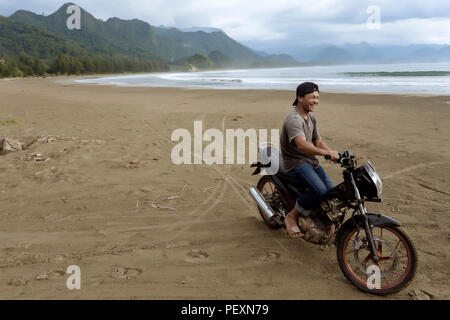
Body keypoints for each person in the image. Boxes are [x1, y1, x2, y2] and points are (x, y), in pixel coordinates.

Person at [279, 82, 340, 238]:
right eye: (312, 97)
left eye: (318, 97)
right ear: (300, 98)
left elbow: (318, 141)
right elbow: (302, 145)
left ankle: (318, 219)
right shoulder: (294, 119)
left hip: (310, 161)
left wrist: (332, 152)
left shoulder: (311, 117)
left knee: (332, 191)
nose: (316, 101)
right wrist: (325, 154)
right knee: (319, 191)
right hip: (295, 162)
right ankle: (291, 216)